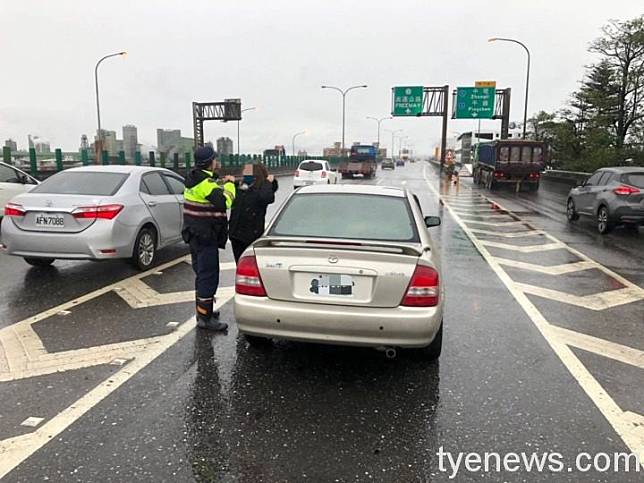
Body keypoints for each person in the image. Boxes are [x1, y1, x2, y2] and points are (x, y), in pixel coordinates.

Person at [182, 146, 236, 331]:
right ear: (210, 162)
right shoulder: (204, 182)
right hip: (206, 235)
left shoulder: (194, 178)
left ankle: (203, 310)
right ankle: (205, 319)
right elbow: (224, 202)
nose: (217, 161)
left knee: (201, 273)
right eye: (215, 159)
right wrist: (230, 185)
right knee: (208, 275)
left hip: (195, 234)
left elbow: (209, 192)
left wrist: (219, 183)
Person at [228, 162, 279, 263]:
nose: (243, 175)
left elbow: (266, 197)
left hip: (251, 235)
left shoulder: (261, 190)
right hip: (236, 235)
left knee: (249, 266)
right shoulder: (242, 187)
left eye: (246, 173)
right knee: (240, 265)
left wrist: (268, 182)